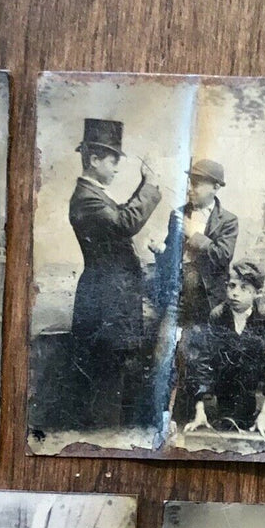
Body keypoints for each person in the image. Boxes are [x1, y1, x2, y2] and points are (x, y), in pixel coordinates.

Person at [68, 119, 162, 429]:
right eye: (113, 161)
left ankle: (106, 435)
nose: (117, 168)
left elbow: (120, 215)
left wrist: (144, 186)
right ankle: (104, 441)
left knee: (111, 373)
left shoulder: (93, 196)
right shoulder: (86, 199)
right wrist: (149, 185)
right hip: (105, 302)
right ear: (94, 160)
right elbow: (124, 223)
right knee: (107, 375)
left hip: (108, 300)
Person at [183, 261, 265, 442]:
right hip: (224, 385)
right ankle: (203, 415)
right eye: (232, 286)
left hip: (253, 387)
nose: (235, 292)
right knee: (193, 358)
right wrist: (200, 409)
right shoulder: (218, 315)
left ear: (256, 293)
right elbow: (204, 360)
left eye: (244, 288)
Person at [154, 158, 238, 327]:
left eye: (196, 185)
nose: (189, 190)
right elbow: (170, 257)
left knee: (204, 349)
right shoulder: (177, 214)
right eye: (189, 184)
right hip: (178, 296)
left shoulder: (228, 220)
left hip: (208, 300)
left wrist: (193, 234)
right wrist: (159, 251)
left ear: (215, 187)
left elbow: (223, 255)